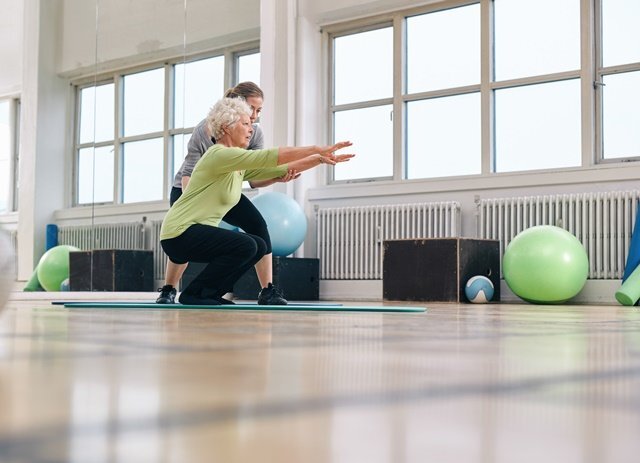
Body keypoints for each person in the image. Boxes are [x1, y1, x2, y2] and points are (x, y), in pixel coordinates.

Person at [159, 97, 354, 306]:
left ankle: (208, 292)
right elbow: (271, 157)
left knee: (258, 245)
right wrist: (316, 148)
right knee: (246, 244)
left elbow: (279, 169)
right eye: (245, 124)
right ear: (226, 127)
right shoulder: (219, 155)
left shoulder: (235, 162)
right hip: (179, 234)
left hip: (193, 235)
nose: (251, 129)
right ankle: (196, 294)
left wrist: (318, 159)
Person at [157, 82, 298, 305]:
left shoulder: (254, 132)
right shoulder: (206, 129)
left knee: (258, 227)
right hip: (189, 187)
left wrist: (277, 177)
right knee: (185, 236)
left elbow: (252, 176)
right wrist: (196, 209)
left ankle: (268, 291)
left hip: (224, 189)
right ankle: (168, 290)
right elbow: (189, 173)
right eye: (252, 108)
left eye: (259, 111)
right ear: (237, 104)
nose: (254, 116)